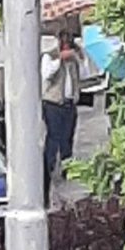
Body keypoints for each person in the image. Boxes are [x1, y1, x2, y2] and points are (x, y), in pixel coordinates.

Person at [41, 28, 84, 204]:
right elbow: (47, 74)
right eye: (64, 39)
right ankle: (49, 168)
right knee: (53, 137)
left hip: (69, 103)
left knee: (68, 138)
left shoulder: (74, 59)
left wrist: (80, 55)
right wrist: (60, 59)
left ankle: (67, 167)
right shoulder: (49, 56)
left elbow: (87, 72)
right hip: (53, 103)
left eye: (70, 39)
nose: (67, 42)